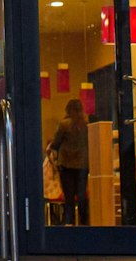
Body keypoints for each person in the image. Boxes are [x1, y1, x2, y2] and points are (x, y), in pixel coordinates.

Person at [47, 97, 90, 226]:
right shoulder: (87, 125)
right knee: (81, 196)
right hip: (82, 165)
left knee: (69, 197)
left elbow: (55, 144)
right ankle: (84, 223)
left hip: (66, 165)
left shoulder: (64, 125)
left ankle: (68, 222)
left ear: (68, 110)